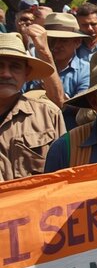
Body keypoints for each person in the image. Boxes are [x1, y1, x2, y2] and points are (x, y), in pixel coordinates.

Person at [0, 33, 64, 179]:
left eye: (15, 67)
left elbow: (64, 175)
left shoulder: (48, 114)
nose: (5, 74)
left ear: (27, 73)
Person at [22, 12, 91, 130]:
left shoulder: (86, 70)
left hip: (69, 135)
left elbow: (83, 110)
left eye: (63, 40)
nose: (56, 45)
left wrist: (51, 91)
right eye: (52, 40)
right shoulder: (32, 66)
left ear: (77, 42)